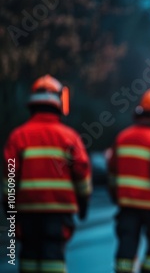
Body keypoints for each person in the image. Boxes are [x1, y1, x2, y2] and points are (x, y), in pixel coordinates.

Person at [3, 74, 92, 273]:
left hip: (26, 212)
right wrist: (83, 202)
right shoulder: (69, 137)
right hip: (58, 212)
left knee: (28, 257)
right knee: (53, 257)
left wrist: (9, 210)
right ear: (59, 103)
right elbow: (81, 172)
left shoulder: (18, 136)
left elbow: (9, 178)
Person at [108, 88, 150, 273]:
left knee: (126, 246)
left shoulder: (122, 137)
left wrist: (117, 196)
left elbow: (112, 172)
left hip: (127, 206)